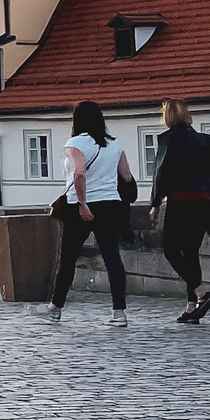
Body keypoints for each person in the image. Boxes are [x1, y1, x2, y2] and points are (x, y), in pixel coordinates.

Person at [45, 99, 136, 328]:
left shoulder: (75, 143)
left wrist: (83, 203)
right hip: (110, 204)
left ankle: (56, 308)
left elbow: (79, 173)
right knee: (112, 258)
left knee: (68, 258)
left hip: (81, 206)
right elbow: (126, 175)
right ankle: (119, 313)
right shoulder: (114, 144)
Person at [151, 98, 210, 325]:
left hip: (180, 203)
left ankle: (201, 293)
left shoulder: (168, 140)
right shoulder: (204, 140)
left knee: (172, 251)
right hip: (202, 203)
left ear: (168, 117)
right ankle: (191, 308)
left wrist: (155, 203)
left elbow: (161, 173)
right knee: (191, 254)